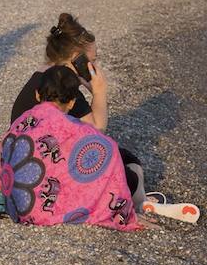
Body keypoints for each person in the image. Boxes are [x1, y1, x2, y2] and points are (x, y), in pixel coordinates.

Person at [10, 14, 148, 207]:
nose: (95, 66)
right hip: (50, 174)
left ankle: (141, 199)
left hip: (25, 166)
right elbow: (97, 132)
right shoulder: (65, 88)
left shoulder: (42, 77)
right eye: (93, 60)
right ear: (77, 59)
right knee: (130, 169)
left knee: (125, 158)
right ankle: (140, 203)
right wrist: (100, 92)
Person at [0, 65, 139, 230]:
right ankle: (138, 203)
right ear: (72, 102)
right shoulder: (73, 128)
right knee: (128, 173)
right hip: (43, 212)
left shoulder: (20, 121)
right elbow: (108, 149)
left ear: (37, 94)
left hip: (17, 206)